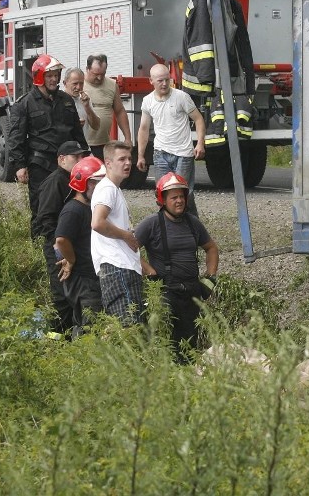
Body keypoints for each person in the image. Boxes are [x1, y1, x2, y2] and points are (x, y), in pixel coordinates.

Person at [135, 172, 219, 359]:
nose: (179, 200)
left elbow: (211, 248)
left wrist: (210, 278)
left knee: (190, 342)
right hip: (165, 290)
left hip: (191, 291)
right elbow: (128, 250)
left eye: (182, 196)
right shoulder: (151, 224)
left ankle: (187, 377)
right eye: (174, 197)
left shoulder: (193, 223)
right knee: (167, 341)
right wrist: (149, 270)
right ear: (162, 200)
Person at [7, 53, 88, 238]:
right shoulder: (25, 103)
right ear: (39, 76)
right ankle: (40, 249)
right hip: (40, 165)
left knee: (69, 205)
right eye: (49, 75)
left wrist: (86, 157)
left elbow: (77, 132)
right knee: (41, 208)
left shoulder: (66, 100)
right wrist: (19, 166)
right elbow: (15, 138)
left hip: (67, 165)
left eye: (56, 75)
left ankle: (65, 245)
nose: (53, 79)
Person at [34, 140, 90, 333]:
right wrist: (60, 253)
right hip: (57, 246)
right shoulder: (56, 181)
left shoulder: (77, 180)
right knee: (62, 296)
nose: (80, 160)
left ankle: (75, 341)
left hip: (75, 246)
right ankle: (56, 343)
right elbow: (46, 220)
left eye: (83, 156)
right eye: (76, 157)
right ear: (61, 159)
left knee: (77, 294)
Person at [136, 63, 205, 214]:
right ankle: (167, 228)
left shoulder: (181, 97)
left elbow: (199, 119)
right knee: (163, 193)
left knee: (184, 194)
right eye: (160, 80)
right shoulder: (148, 101)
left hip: (183, 154)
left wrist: (200, 144)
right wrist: (140, 155)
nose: (165, 84)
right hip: (160, 154)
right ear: (151, 81)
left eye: (167, 79)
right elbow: (143, 129)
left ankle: (193, 228)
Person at [90, 140, 144, 325]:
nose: (128, 163)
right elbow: (97, 223)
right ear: (108, 163)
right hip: (117, 267)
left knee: (131, 328)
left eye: (129, 158)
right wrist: (126, 235)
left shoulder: (114, 189)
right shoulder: (106, 188)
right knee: (129, 329)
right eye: (122, 159)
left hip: (124, 266)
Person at [54, 155, 107, 338]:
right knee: (88, 326)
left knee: (94, 323)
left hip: (93, 277)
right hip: (83, 280)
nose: (100, 188)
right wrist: (71, 259)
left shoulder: (93, 208)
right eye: (95, 183)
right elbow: (60, 240)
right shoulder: (73, 210)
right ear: (82, 184)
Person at [83, 54, 133, 160]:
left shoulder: (111, 85)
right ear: (87, 69)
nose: (99, 77)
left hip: (103, 144)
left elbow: (119, 111)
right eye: (96, 74)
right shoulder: (79, 84)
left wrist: (127, 138)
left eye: (103, 73)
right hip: (83, 144)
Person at [62, 67, 100, 132]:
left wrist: (87, 107)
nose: (79, 87)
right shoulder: (58, 100)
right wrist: (74, 126)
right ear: (65, 83)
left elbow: (96, 126)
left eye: (81, 83)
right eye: (75, 83)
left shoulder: (85, 99)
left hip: (83, 142)